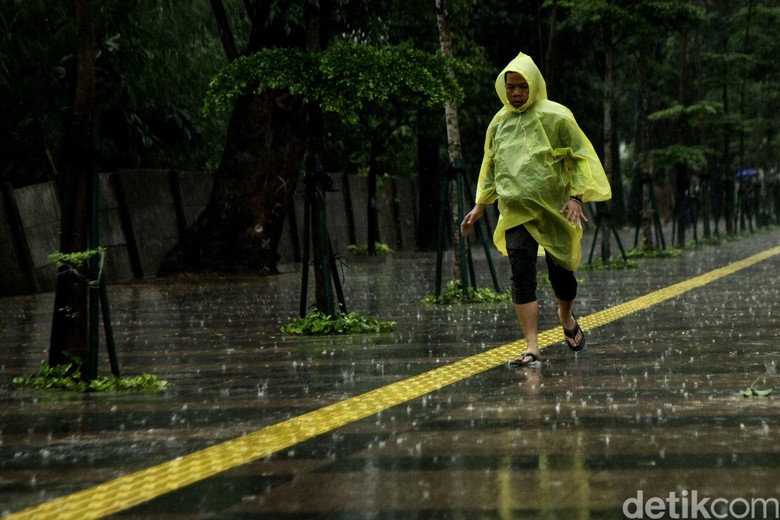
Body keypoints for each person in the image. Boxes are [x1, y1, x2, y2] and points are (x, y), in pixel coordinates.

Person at [461, 52, 611, 367]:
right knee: (521, 274)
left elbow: (579, 157)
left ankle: (565, 314)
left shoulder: (557, 117)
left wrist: (576, 197)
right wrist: (478, 207)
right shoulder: (498, 123)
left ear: (534, 86)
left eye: (522, 86)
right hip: (515, 211)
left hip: (555, 210)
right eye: (511, 87)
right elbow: (490, 167)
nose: (516, 93)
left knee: (563, 277)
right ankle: (532, 346)